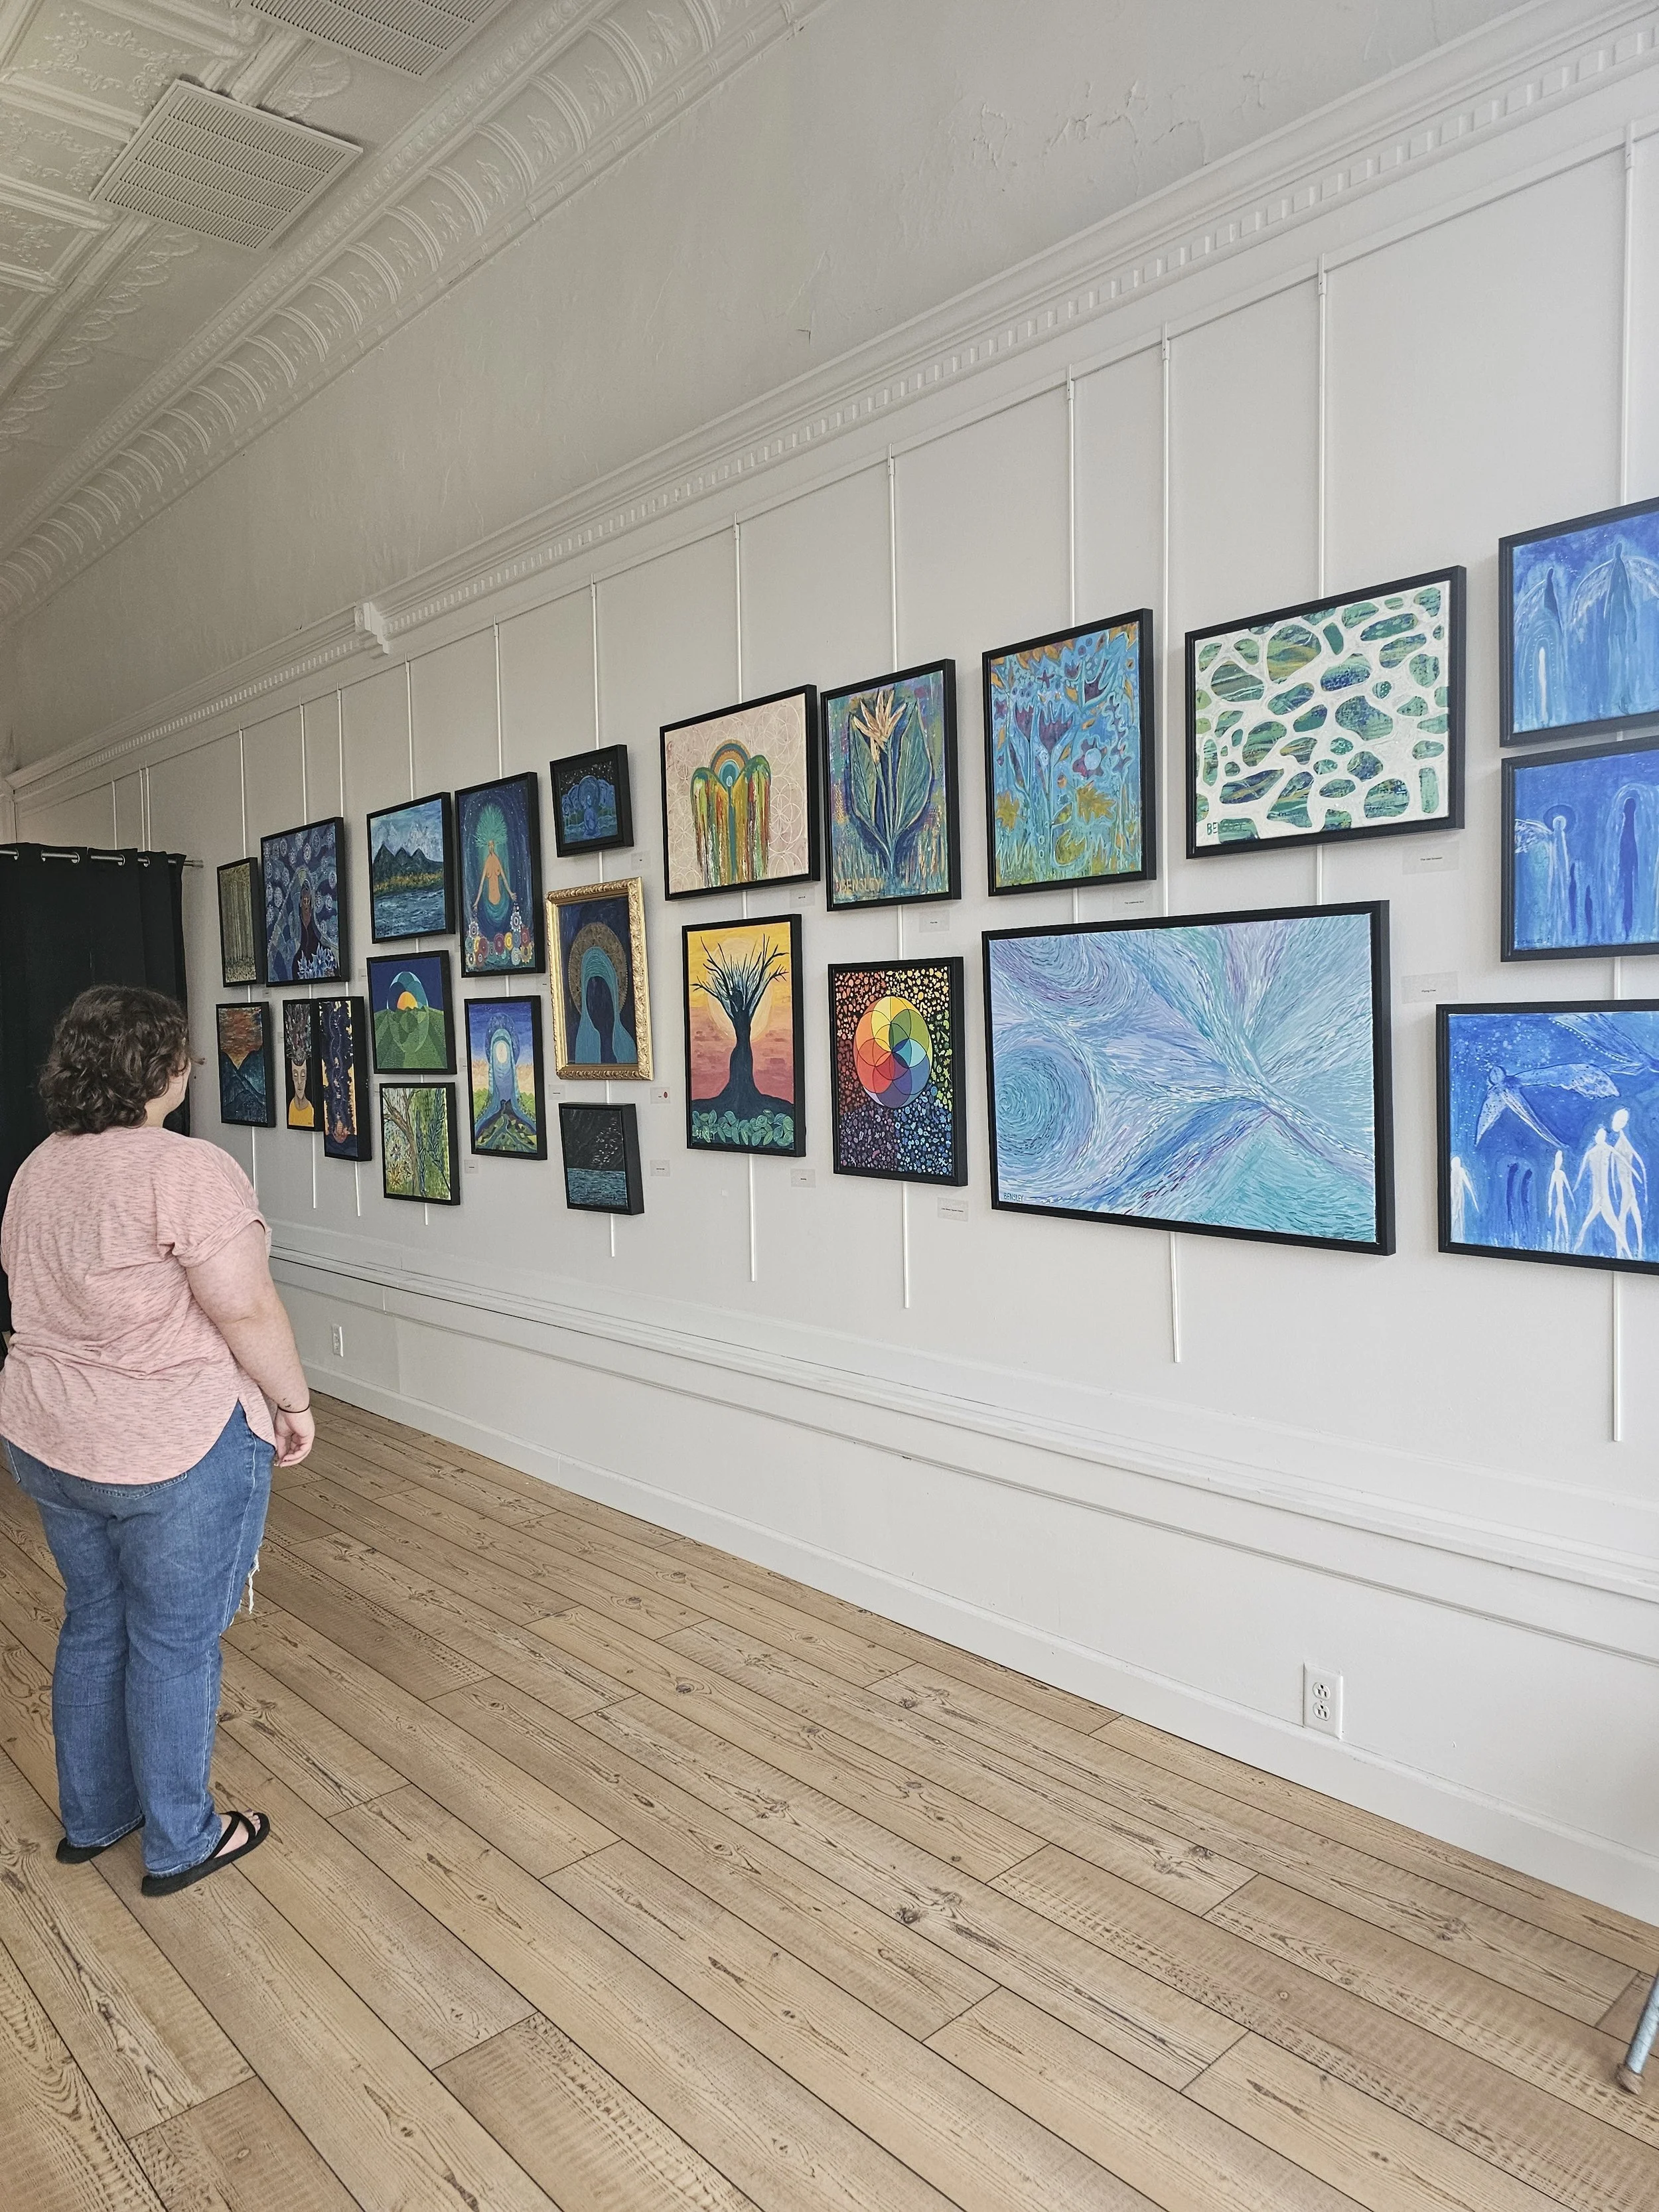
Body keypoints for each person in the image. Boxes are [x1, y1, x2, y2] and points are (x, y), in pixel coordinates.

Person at [0, 986, 315, 1895]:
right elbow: (247, 1307)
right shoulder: (186, 1169)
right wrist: (291, 1401)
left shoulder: (40, 1166)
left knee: (96, 1619)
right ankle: (183, 1840)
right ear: (166, 1069)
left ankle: (97, 1817)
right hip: (166, 1443)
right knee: (174, 1643)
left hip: (51, 1437)